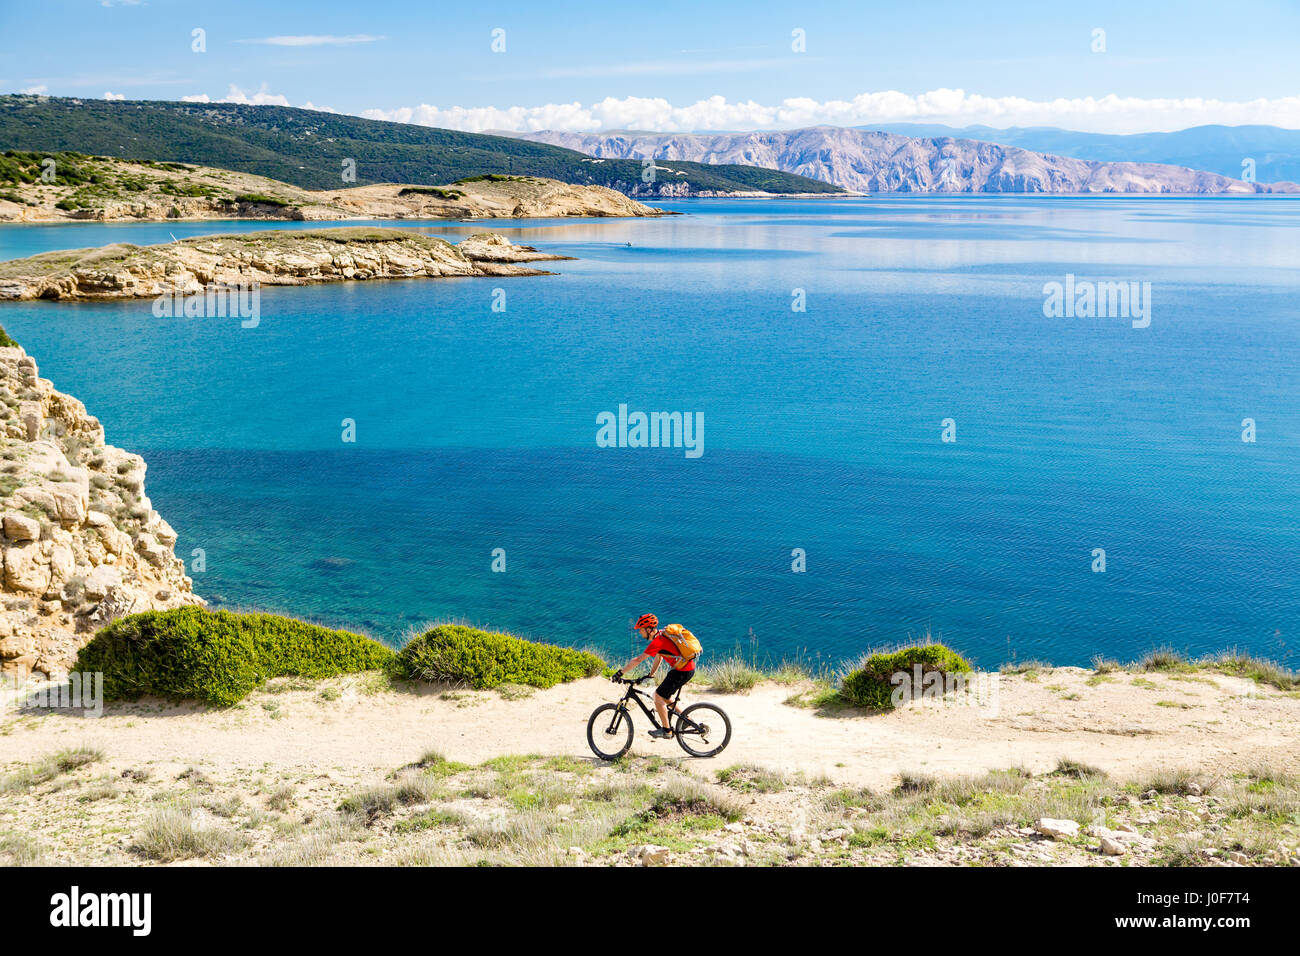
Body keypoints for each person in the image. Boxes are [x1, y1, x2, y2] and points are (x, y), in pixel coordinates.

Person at [613, 613, 694, 739]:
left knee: (658, 696)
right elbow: (659, 655)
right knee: (665, 696)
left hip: (682, 671)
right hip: (683, 669)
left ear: (649, 630)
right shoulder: (661, 634)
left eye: (641, 630)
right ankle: (686, 719)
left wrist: (620, 672)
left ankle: (667, 731)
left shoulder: (657, 642)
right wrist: (652, 673)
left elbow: (637, 660)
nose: (640, 633)